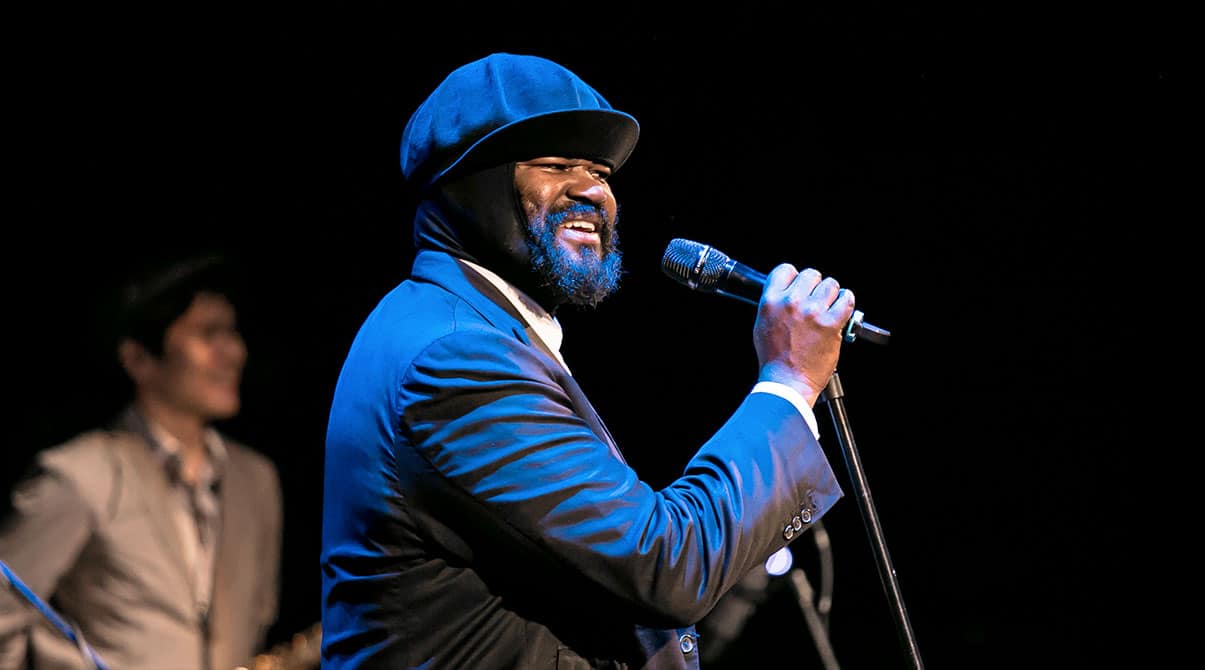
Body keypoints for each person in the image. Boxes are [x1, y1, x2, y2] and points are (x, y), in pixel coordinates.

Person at [320, 52, 857, 669]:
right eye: (557, 165)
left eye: (601, 171)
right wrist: (788, 381)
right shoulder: (455, 356)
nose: (593, 191)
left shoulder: (478, 332)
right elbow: (664, 564)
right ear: (467, 186)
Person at [0, 251, 284, 670]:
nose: (234, 352)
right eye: (208, 335)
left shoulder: (255, 480)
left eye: (232, 332)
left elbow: (256, 618)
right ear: (139, 359)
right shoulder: (81, 475)